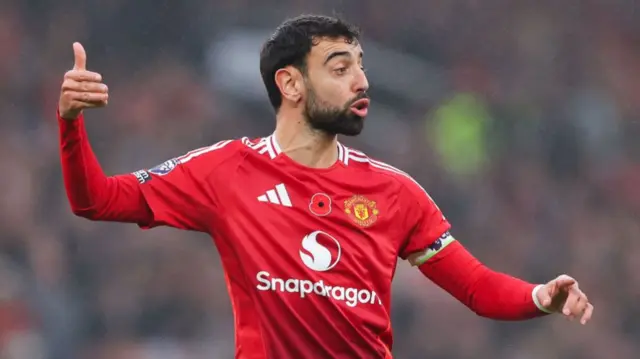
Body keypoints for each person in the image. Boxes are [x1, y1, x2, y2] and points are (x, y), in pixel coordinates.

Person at [57, 14, 593, 359]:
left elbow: (475, 287)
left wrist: (539, 296)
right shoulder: (227, 171)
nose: (361, 82)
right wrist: (71, 123)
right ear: (290, 83)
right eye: (340, 69)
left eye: (361, 67)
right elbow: (96, 200)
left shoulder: (394, 191)